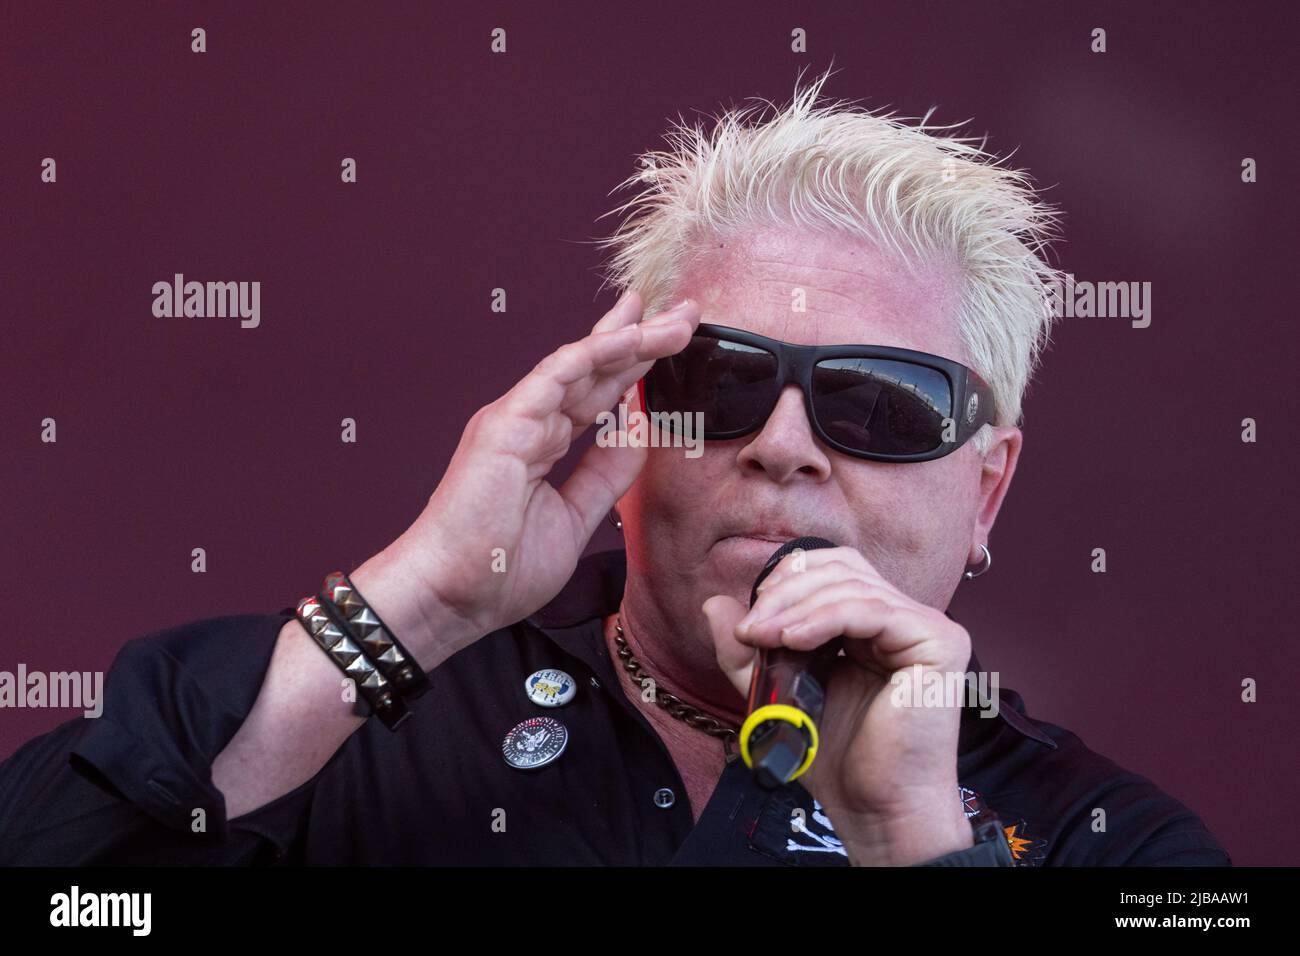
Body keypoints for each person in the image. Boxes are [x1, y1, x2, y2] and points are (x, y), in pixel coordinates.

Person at [0, 70, 1229, 866]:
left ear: (988, 490)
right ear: (630, 413)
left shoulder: (1113, 844)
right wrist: (419, 600)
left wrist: (908, 832)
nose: (785, 441)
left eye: (879, 401)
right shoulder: (381, 714)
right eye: (721, 381)